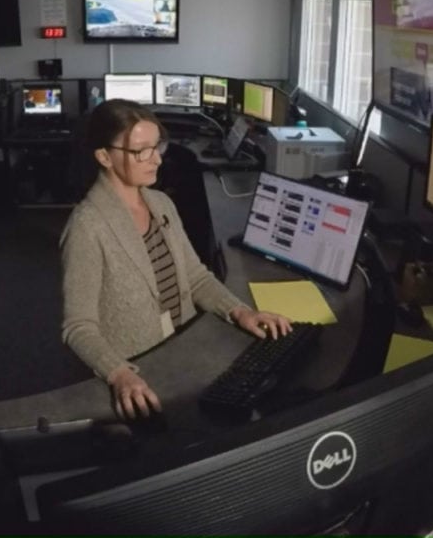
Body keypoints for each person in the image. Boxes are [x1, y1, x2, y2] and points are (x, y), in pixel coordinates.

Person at [60, 99, 292, 420]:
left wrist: (240, 312)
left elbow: (195, 277)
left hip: (183, 349)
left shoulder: (161, 203)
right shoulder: (87, 226)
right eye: (141, 150)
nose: (155, 159)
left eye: (157, 146)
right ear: (104, 157)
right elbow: (78, 327)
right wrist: (119, 374)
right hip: (142, 367)